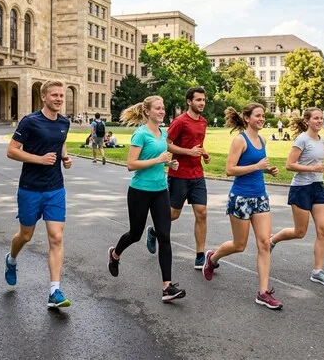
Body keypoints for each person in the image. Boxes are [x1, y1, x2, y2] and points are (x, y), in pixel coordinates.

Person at [106, 95, 186, 302]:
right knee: (135, 234)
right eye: (158, 108)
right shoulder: (140, 134)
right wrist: (158, 159)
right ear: (148, 111)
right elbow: (131, 164)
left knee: (164, 236)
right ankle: (115, 254)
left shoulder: (163, 133)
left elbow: (158, 160)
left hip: (160, 190)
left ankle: (167, 287)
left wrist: (168, 165)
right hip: (140, 191)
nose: (162, 111)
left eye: (163, 108)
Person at [202, 104, 282, 309]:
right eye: (258, 115)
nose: (262, 119)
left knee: (264, 243)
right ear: (247, 118)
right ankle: (213, 258)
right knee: (240, 245)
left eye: (263, 115)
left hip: (260, 198)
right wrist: (257, 166)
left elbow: (256, 167)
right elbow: (230, 169)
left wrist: (266, 171)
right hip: (241, 198)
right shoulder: (240, 140)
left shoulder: (262, 139)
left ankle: (263, 292)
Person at [5, 80, 73, 308]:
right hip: (30, 189)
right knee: (25, 235)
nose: (59, 99)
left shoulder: (64, 122)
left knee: (56, 237)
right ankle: (12, 259)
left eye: (61, 95)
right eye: (54, 95)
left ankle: (55, 291)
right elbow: (12, 151)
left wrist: (64, 157)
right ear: (43, 97)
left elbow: (59, 143)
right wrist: (40, 159)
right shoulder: (30, 121)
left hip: (55, 188)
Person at [269, 107, 324, 287]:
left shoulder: (321, 139)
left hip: (317, 187)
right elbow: (289, 165)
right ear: (307, 121)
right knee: (300, 232)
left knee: (323, 230)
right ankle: (272, 240)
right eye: (316, 118)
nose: (320, 121)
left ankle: (317, 271)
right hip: (301, 188)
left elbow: (317, 163)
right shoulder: (301, 139)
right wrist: (312, 169)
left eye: (321, 118)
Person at [160, 87, 210, 269]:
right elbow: (166, 144)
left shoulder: (203, 122)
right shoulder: (179, 121)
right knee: (173, 214)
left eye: (203, 99)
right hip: (179, 174)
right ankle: (155, 232)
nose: (202, 103)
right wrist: (189, 152)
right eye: (198, 100)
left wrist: (204, 154)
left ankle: (200, 255)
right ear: (189, 101)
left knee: (202, 213)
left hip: (197, 174)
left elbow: (198, 145)